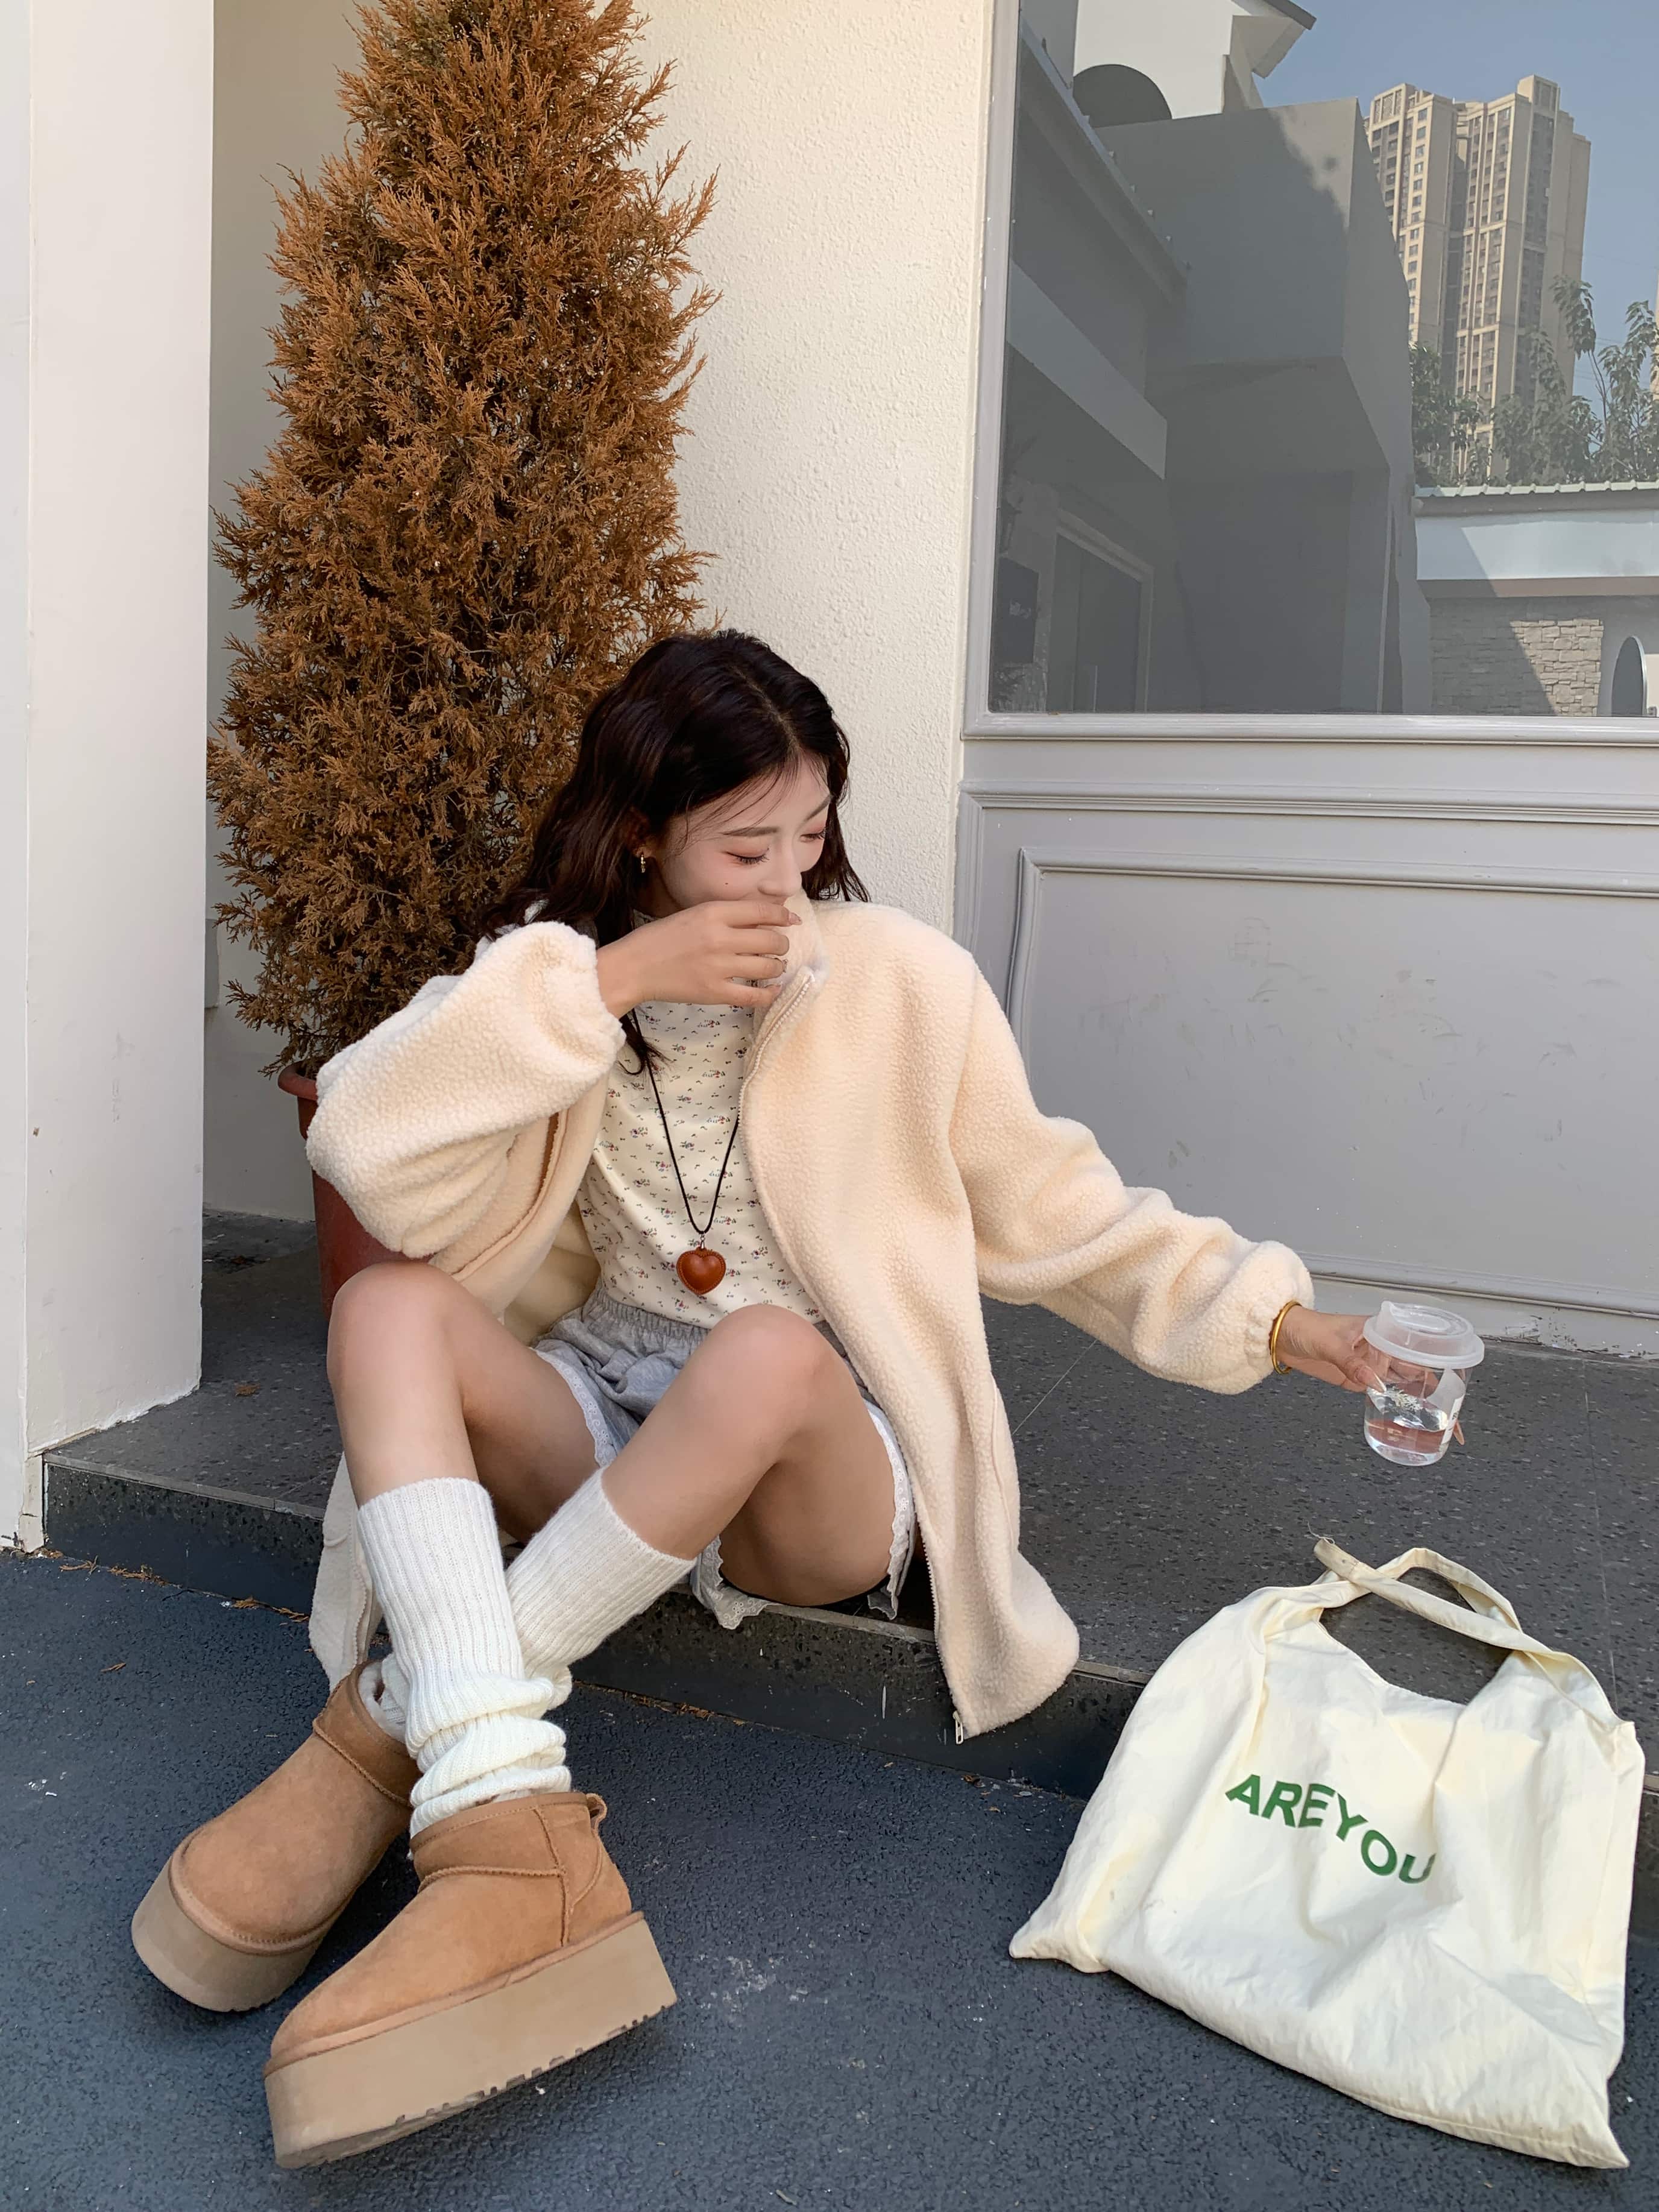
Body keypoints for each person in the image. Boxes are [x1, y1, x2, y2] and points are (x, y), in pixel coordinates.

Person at [131, 631, 1373, 2167]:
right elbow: (361, 1139)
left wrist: (1270, 1316)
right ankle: (507, 1807)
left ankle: (404, 1725)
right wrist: (607, 981)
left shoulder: (900, 980)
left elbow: (1058, 1207)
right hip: (606, 1415)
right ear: (641, 833)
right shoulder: (554, 979)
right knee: (385, 1307)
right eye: (742, 845)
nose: (785, 879)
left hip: (808, 1464)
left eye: (809, 832)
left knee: (768, 1349)